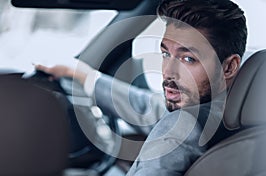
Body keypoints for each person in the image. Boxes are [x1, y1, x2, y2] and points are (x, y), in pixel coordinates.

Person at [36, 0, 247, 175]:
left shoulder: (182, 126)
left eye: (188, 58)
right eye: (165, 53)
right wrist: (81, 74)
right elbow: (148, 108)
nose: (168, 71)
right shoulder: (226, 114)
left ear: (229, 67)